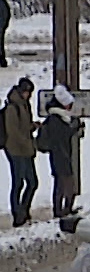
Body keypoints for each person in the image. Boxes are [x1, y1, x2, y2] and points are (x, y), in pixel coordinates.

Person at [36, 85, 82, 219]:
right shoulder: (57, 119)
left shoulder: (59, 118)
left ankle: (63, 209)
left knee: (62, 183)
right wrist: (74, 127)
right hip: (60, 154)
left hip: (60, 154)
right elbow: (63, 135)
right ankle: (62, 209)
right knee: (64, 183)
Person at [3, 79, 35, 227]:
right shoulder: (12, 107)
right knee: (18, 183)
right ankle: (18, 214)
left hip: (26, 149)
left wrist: (32, 127)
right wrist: (26, 141)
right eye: (28, 92)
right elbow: (13, 132)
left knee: (32, 182)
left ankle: (24, 210)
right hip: (16, 150)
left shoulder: (24, 105)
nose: (29, 95)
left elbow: (24, 126)